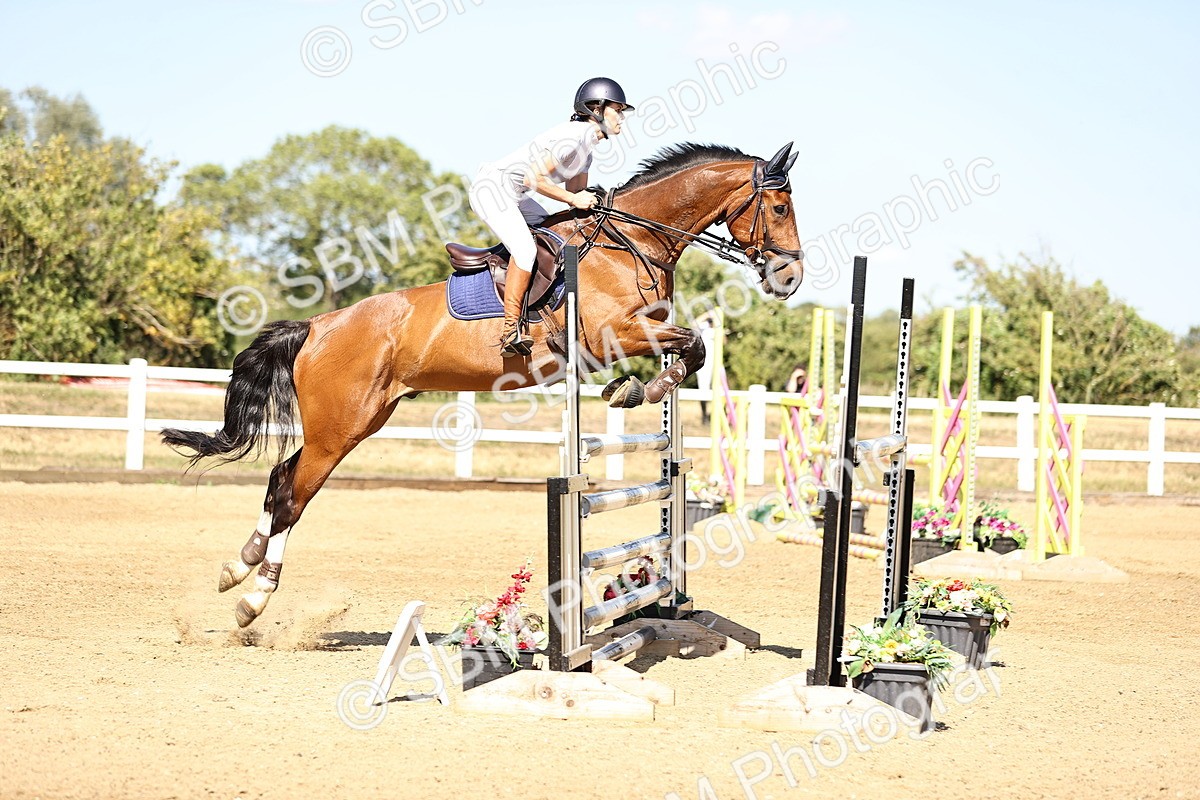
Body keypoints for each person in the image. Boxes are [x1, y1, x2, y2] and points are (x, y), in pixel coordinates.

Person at [468, 77, 632, 356]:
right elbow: (535, 178)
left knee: (554, 236)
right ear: (597, 109)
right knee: (525, 249)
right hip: (493, 190)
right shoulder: (574, 136)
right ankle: (509, 330)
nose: (622, 118)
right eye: (618, 110)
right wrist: (574, 198)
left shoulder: (586, 150)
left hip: (515, 194)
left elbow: (577, 196)